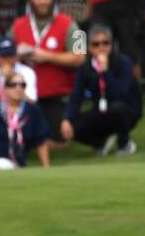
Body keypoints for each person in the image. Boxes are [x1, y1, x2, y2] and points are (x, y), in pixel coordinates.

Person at [10, 0, 81, 142]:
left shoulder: (71, 24)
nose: (42, 1)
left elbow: (80, 57)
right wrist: (17, 54)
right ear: (30, 0)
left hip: (58, 96)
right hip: (25, 97)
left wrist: (47, 56)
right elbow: (4, 59)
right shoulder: (16, 25)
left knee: (60, 138)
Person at [60, 22, 139, 155]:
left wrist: (105, 72)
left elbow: (120, 94)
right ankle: (101, 143)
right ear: (89, 48)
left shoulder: (123, 62)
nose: (101, 47)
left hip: (127, 109)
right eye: (96, 44)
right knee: (71, 125)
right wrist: (66, 119)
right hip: (101, 110)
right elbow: (76, 96)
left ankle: (124, 143)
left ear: (111, 44)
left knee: (117, 108)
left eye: (105, 43)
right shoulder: (84, 68)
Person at [0, 67, 49, 168]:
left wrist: (46, 166)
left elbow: (41, 140)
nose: (18, 88)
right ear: (5, 89)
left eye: (22, 85)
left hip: (17, 163)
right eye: (13, 85)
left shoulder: (32, 111)